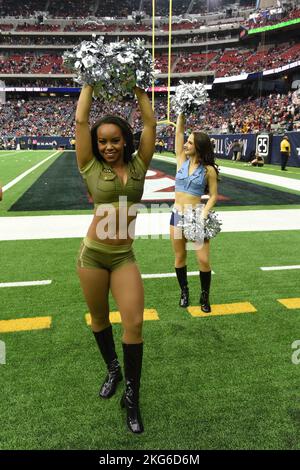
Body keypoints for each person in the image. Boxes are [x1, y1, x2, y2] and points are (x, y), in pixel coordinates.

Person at [75, 84, 156, 434]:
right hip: (93, 255)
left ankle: (132, 398)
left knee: (134, 324)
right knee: (98, 318)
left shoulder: (140, 165)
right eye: (103, 141)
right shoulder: (89, 165)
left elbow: (150, 125)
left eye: (114, 140)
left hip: (124, 256)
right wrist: (89, 82)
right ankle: (113, 369)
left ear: (125, 140)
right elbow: (80, 122)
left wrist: (139, 87)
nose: (108, 147)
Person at [170, 113, 218, 312]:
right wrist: (182, 112)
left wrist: (203, 214)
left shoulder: (208, 170)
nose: (186, 144)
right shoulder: (181, 160)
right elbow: (179, 131)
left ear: (198, 146)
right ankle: (184, 291)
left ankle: (205, 296)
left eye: (190, 142)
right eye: (187, 141)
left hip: (196, 217)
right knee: (180, 257)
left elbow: (213, 196)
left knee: (203, 260)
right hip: (176, 216)